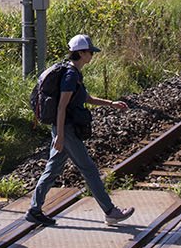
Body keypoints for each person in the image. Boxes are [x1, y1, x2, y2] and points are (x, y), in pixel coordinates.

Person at [25, 34, 135, 227]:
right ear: (80, 52)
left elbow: (85, 98)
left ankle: (34, 210)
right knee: (89, 168)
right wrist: (59, 135)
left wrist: (111, 104)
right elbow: (61, 106)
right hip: (66, 129)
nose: (92, 54)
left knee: (53, 169)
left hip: (64, 128)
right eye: (90, 51)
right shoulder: (70, 75)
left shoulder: (75, 73)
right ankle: (110, 211)